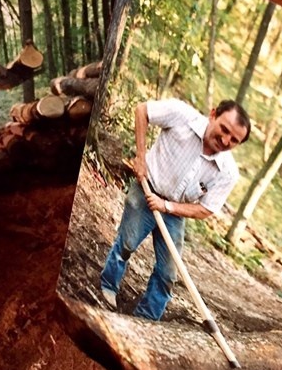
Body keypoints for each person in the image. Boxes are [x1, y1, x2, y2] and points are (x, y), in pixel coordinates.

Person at [100, 98, 251, 321]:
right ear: (213, 115)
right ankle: (108, 285)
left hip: (174, 213)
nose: (226, 140)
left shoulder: (228, 172)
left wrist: (167, 207)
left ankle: (147, 318)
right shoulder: (182, 115)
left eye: (234, 140)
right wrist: (141, 158)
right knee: (127, 243)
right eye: (224, 129)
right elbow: (142, 111)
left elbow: (205, 210)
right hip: (146, 191)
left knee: (168, 272)